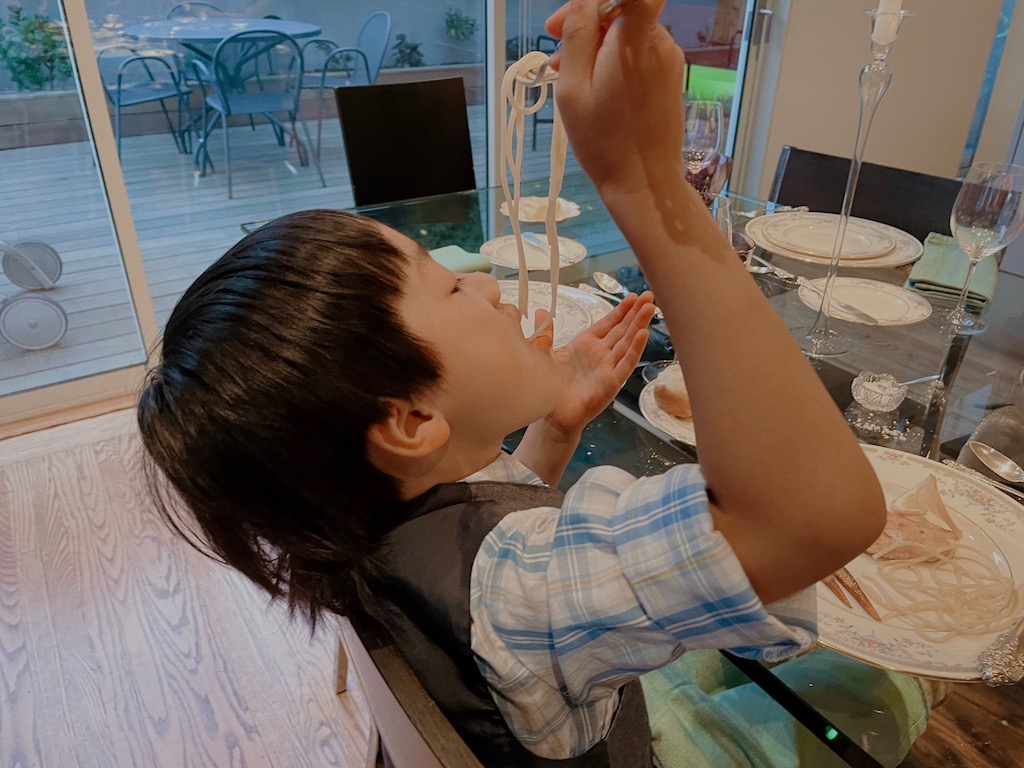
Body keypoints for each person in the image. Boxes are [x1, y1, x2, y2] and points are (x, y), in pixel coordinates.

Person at [137, 1, 924, 765]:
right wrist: (650, 188)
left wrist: (554, 432)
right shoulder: (519, 596)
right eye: (448, 288)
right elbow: (816, 517)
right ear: (411, 420)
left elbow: (466, 534)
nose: (485, 286)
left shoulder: (354, 518)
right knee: (888, 697)